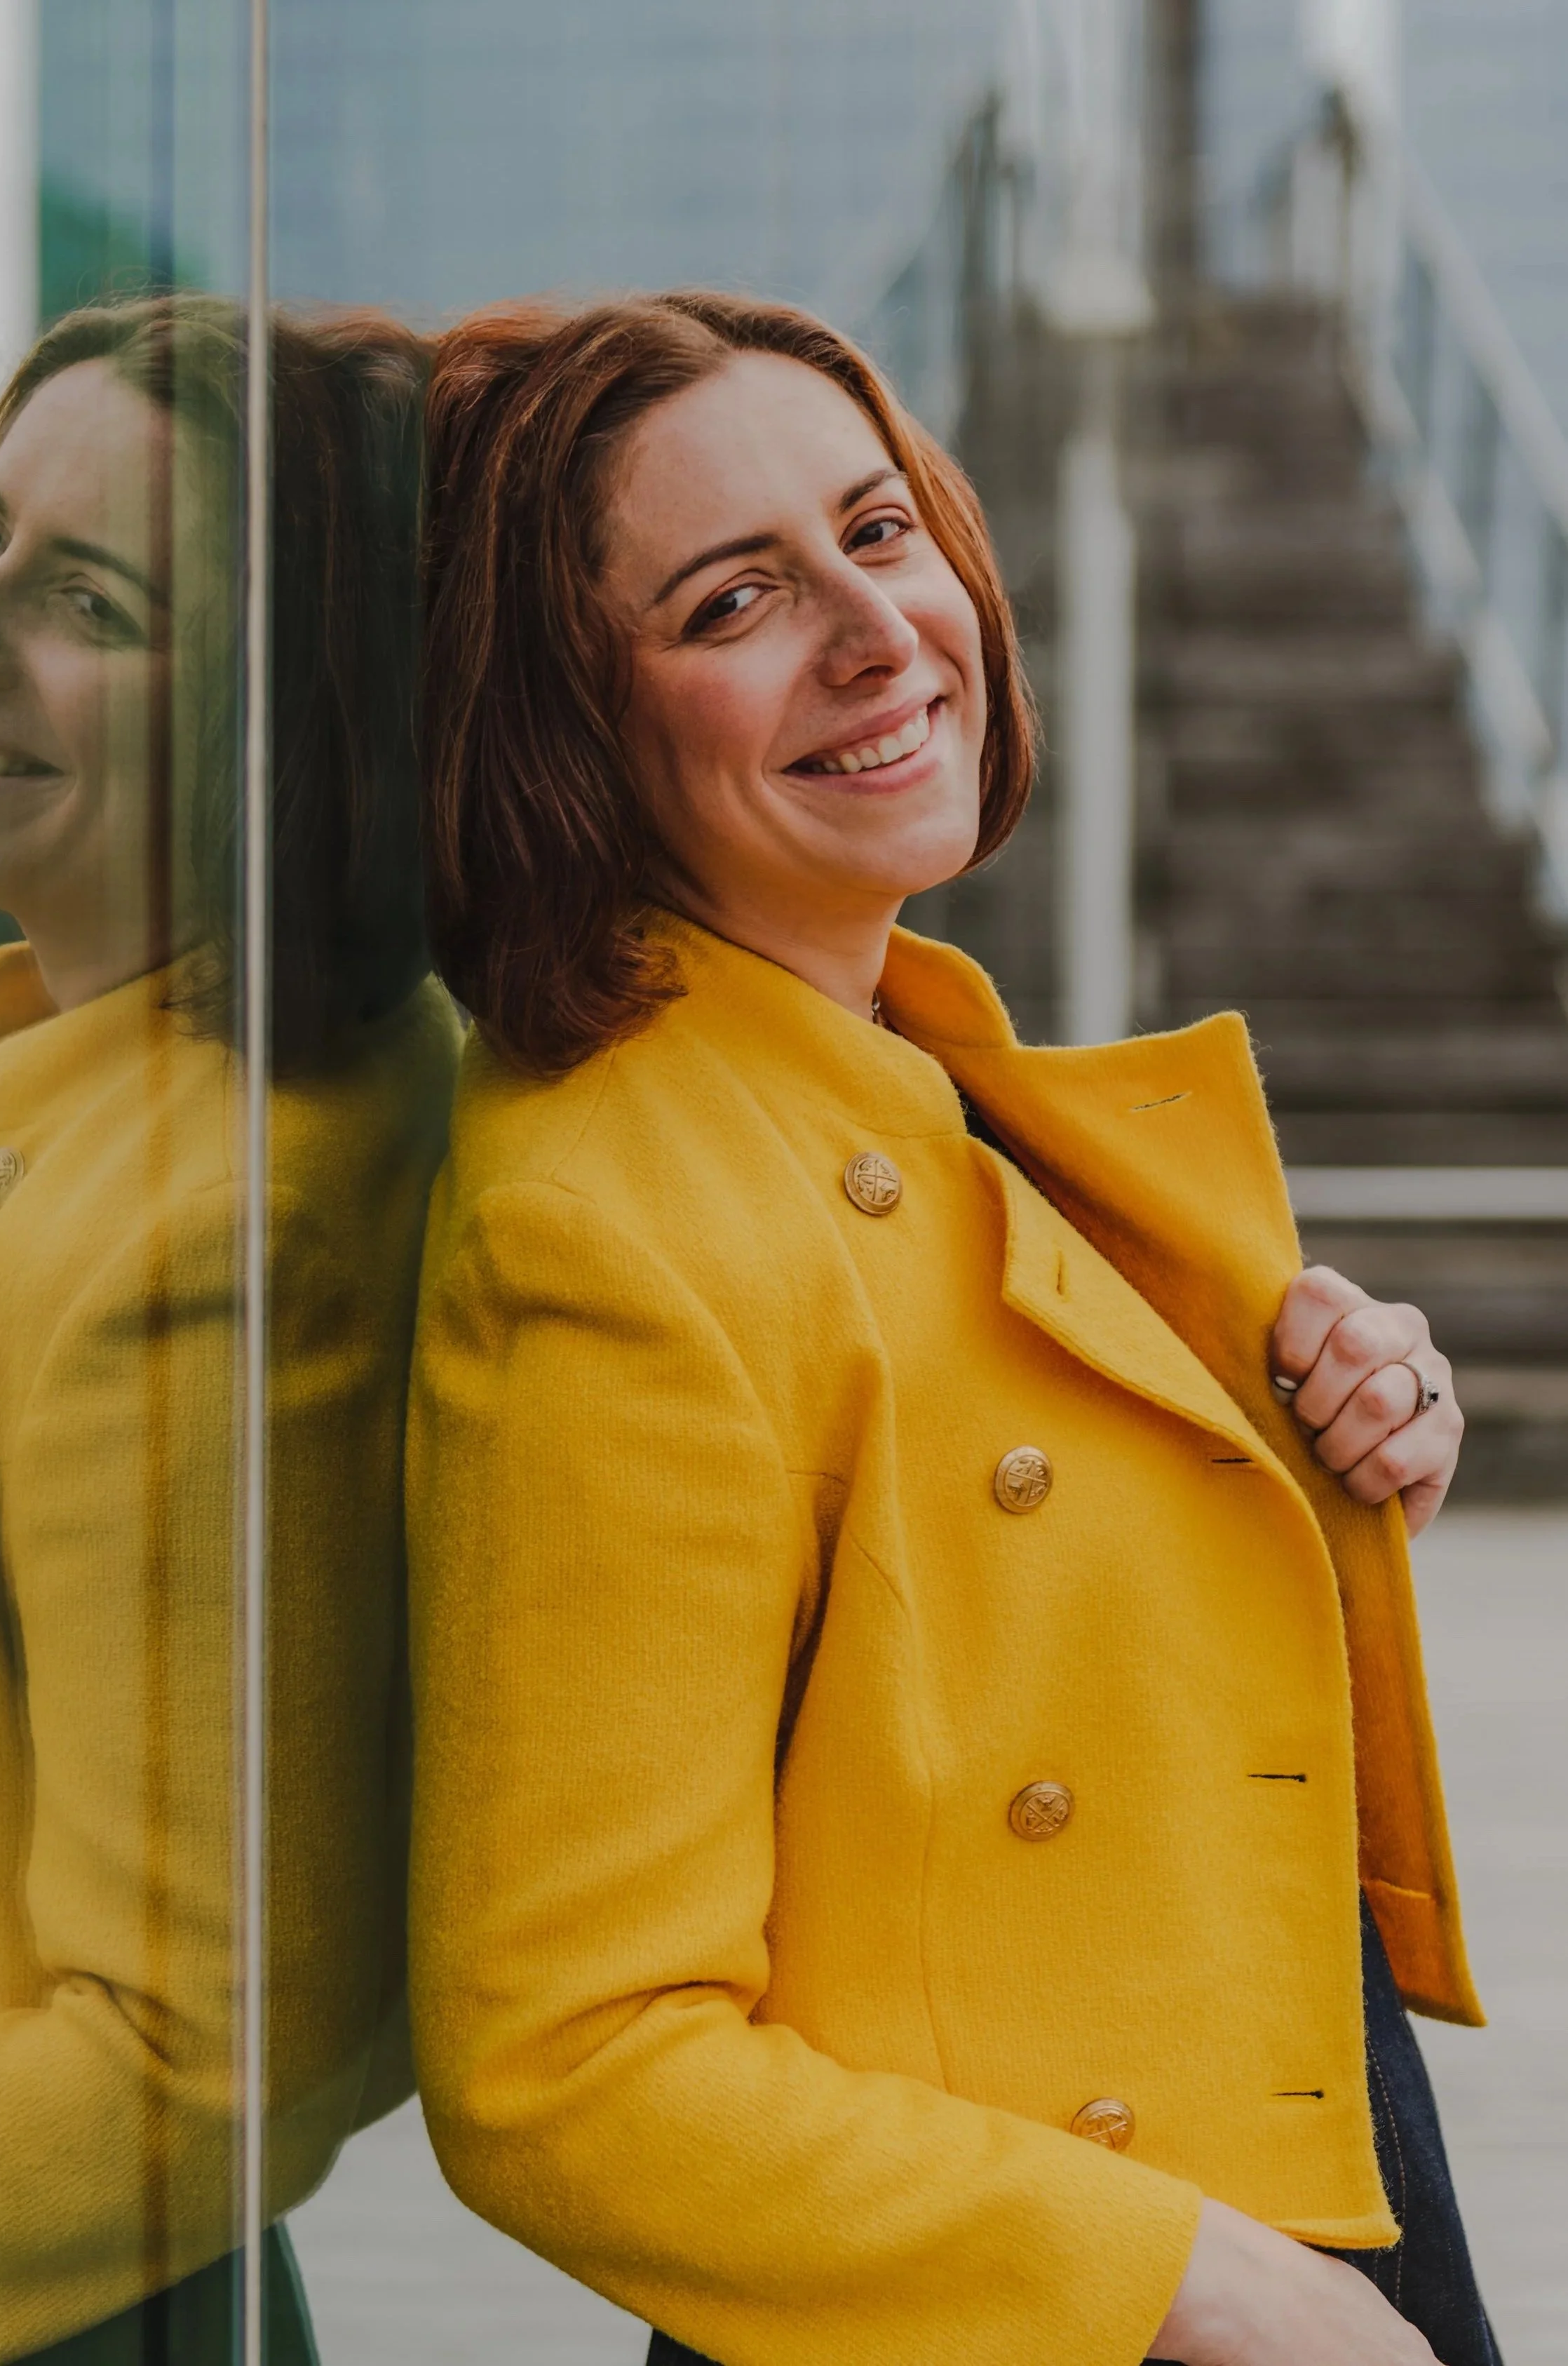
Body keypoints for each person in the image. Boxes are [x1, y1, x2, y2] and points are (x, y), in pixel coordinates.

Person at [404, 290, 1501, 2366]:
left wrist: (1302, 1443)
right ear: (561, 717)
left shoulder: (903, 1060)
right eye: (732, 597)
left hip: (1249, 2161)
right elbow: (568, 2065)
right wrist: (1226, 2290)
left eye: (878, 529)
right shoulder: (603, 1226)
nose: (871, 630)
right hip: (1045, 2290)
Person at [0, 295, 459, 2364]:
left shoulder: (218, 1220)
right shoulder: (83, 1069)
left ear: (287, 709)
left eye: (86, 595)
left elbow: (194, 2054)